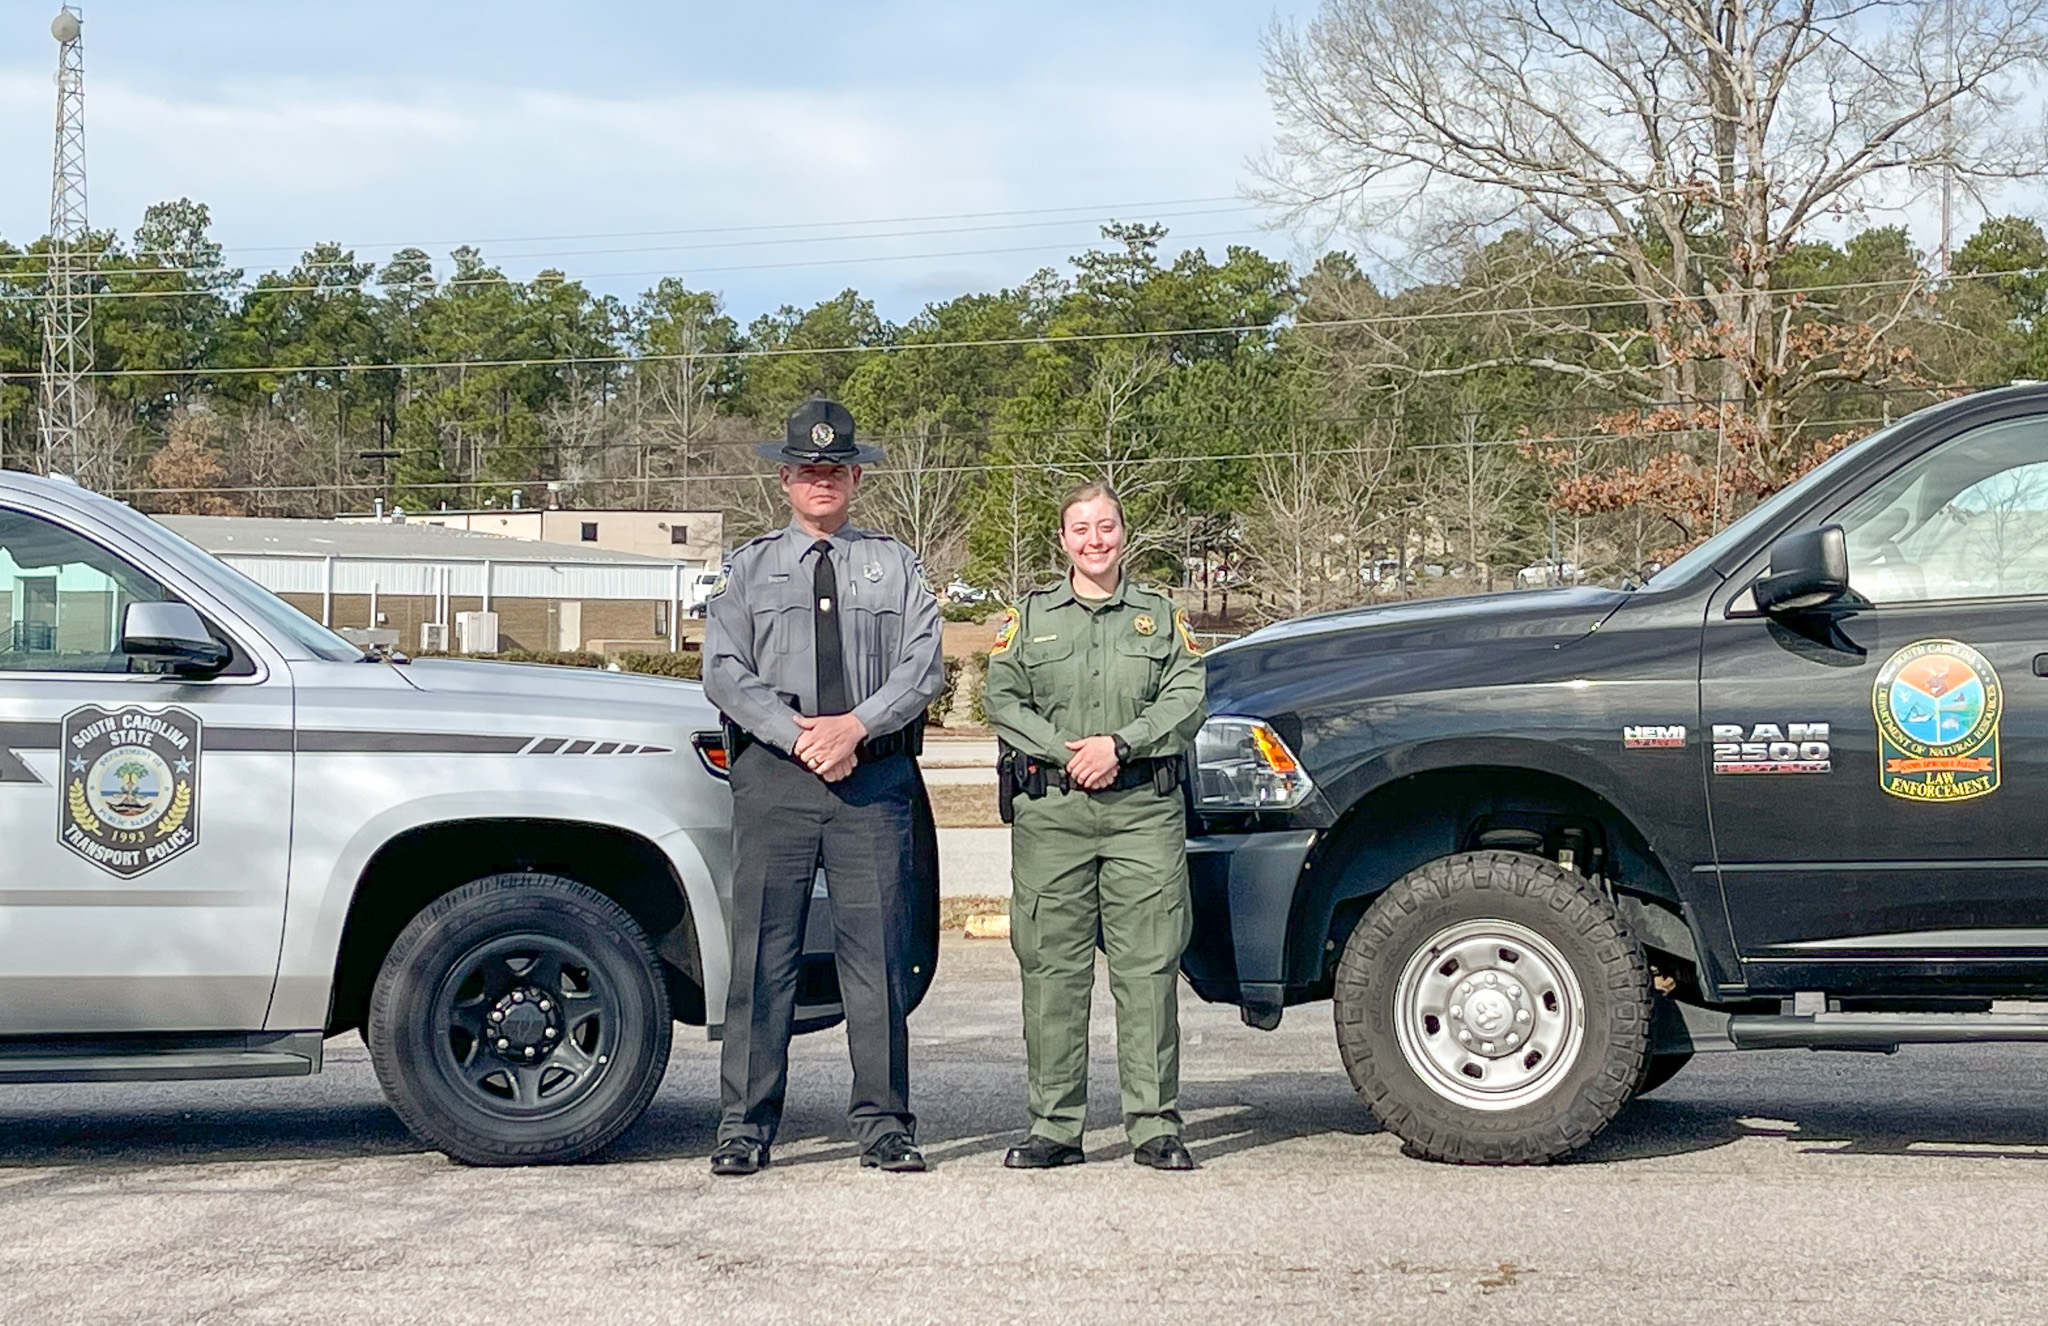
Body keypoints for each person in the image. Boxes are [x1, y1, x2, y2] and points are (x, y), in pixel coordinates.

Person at [701, 397, 946, 1177]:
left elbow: (923, 666)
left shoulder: (895, 564)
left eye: (835, 468)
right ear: (785, 479)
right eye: (808, 469)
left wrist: (855, 729)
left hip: (871, 778)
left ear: (854, 477)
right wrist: (800, 735)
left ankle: (883, 1125)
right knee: (764, 955)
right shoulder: (747, 568)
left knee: (875, 956)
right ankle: (744, 1127)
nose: (822, 480)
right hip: (777, 776)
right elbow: (724, 672)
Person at [983, 481, 1208, 1171]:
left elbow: (1189, 693)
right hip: (1053, 814)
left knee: (1147, 970)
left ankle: (1154, 1124)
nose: (1094, 540)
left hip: (1142, 810)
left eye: (1105, 526)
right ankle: (1055, 1126)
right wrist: (1068, 754)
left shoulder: (1161, 616)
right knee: (1053, 970)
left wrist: (1122, 745)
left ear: (1123, 533)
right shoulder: (1029, 618)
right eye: (1080, 529)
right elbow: (1002, 698)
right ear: (1062, 539)